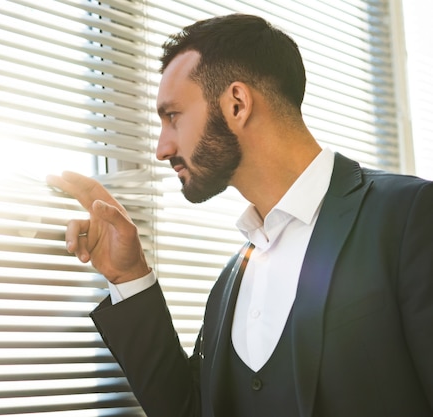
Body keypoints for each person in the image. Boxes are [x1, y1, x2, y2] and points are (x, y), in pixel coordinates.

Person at [46, 13, 433, 417]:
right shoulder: (231, 281)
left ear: (237, 104)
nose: (161, 149)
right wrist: (130, 276)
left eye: (172, 116)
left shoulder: (410, 217)